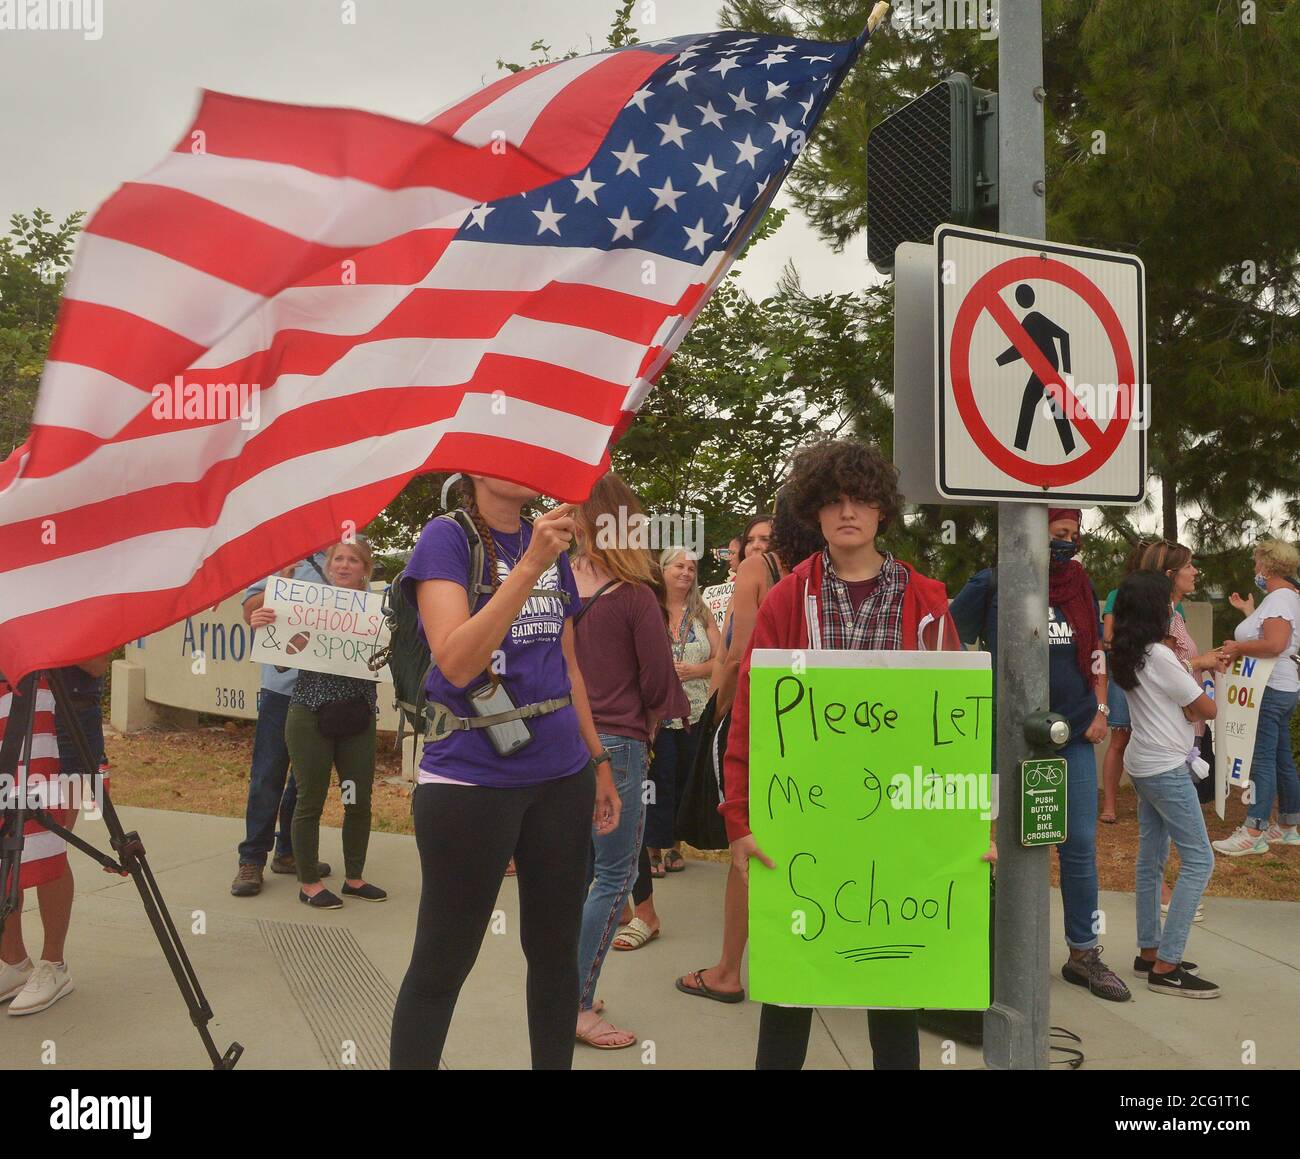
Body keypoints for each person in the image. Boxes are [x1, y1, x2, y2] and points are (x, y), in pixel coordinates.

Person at [723, 438, 982, 1069]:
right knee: (789, 995)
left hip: (896, 827)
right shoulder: (789, 599)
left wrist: (970, 823)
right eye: (834, 501)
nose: (847, 513)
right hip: (803, 822)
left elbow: (953, 726)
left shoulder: (926, 600)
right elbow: (751, 715)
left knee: (893, 997)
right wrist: (738, 818)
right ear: (814, 511)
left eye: (861, 500)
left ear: (882, 511)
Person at [389, 475, 620, 1071]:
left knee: (553, 955)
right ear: (473, 468)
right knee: (443, 961)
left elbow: (568, 667)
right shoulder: (445, 539)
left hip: (560, 775)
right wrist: (530, 565)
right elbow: (458, 662)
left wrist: (598, 762)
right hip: (470, 782)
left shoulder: (554, 541)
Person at [951, 507, 1131, 1002]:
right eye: (1057, 533)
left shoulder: (1079, 584)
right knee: (990, 842)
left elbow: (1096, 649)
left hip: (1069, 732)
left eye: (1073, 535)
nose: (1066, 543)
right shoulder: (991, 583)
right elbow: (943, 639)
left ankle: (1083, 953)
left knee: (1078, 844)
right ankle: (985, 947)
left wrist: (1099, 707)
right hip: (1001, 736)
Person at [676, 486, 824, 1004]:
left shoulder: (760, 568)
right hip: (828, 720)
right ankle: (815, 953)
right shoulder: (834, 565)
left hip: (766, 716)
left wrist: (718, 712)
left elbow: (738, 653)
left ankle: (727, 971)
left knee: (753, 847)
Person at [570, 473, 688, 1049]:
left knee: (573, 875)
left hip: (557, 744)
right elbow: (660, 681)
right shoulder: (638, 597)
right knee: (615, 877)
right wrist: (651, 727)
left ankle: (558, 990)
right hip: (615, 746)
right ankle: (577, 1003)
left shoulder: (552, 585)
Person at [252, 540, 386, 909]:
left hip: (357, 715)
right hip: (309, 711)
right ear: (329, 567)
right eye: (338, 559)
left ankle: (355, 879)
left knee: (357, 800)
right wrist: (265, 622)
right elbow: (279, 659)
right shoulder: (306, 606)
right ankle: (308, 882)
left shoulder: (381, 609)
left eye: (353, 560)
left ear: (365, 569)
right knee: (309, 799)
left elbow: (395, 652)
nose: (344, 566)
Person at [1110, 570, 1221, 997]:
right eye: (1167, 604)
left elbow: (1177, 704)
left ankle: (1148, 950)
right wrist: (1203, 683)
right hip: (1167, 768)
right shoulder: (1158, 655)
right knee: (1200, 861)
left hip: (1143, 763)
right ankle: (1167, 965)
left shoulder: (1130, 653)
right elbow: (1205, 709)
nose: (1172, 609)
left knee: (1151, 858)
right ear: (1155, 610)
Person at [0, 656, 108, 1015]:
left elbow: (97, 663)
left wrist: (43, 640)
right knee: (6, 845)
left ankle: (54, 964)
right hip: (10, 712)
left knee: (51, 844)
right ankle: (14, 962)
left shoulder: (80, 598)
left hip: (69, 722)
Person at [231, 549, 333, 897]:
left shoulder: (347, 554)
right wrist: (282, 581)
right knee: (268, 774)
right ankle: (252, 860)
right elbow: (249, 610)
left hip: (327, 691)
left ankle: (289, 852)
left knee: (306, 779)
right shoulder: (283, 556)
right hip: (281, 690)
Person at [1212, 537, 1300, 855]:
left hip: (1270, 687)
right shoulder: (1285, 597)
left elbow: (1275, 644)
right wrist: (1249, 612)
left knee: (1262, 758)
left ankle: (1254, 829)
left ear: (1266, 564)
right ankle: (1288, 824)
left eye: (1256, 564)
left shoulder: (1279, 598)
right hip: (1283, 686)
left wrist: (1238, 647)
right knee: (1279, 757)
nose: (1255, 570)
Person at [644, 546, 721, 876]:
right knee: (655, 779)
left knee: (684, 778)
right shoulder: (649, 608)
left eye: (691, 568)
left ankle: (675, 845)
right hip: (657, 713)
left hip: (695, 711)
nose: (686, 573)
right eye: (678, 566)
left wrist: (697, 670)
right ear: (662, 570)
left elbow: (723, 659)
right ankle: (651, 846)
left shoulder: (702, 613)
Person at [1099, 539, 1149, 824]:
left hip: (1152, 676)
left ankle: (1148, 805)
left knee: (1150, 740)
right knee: (1119, 740)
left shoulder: (1171, 601)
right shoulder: (1118, 595)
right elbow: (1108, 639)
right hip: (1124, 673)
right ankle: (1109, 805)